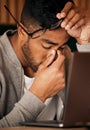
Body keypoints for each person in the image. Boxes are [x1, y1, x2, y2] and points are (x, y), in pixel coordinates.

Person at [0, 0, 90, 127]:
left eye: (62, 45)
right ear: (22, 31)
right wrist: (37, 96)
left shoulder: (65, 55)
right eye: (47, 46)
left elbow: (85, 115)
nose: (56, 56)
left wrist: (86, 43)